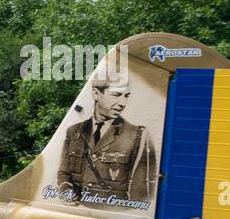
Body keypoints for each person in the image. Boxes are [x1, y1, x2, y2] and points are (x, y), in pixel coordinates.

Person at [56, 79, 157, 207]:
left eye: (126, 96)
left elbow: (141, 192)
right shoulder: (74, 131)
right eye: (116, 95)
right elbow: (64, 173)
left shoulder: (136, 135)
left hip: (113, 215)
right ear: (96, 94)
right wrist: (65, 190)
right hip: (77, 211)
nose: (123, 103)